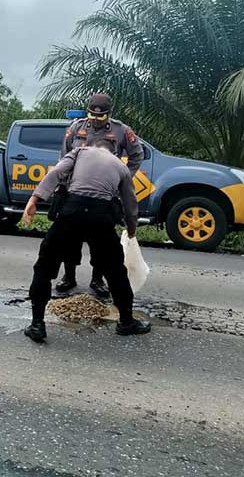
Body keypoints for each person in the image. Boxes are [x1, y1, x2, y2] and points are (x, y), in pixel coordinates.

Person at [23, 141, 152, 341]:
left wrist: (34, 199)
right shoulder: (121, 166)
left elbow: (56, 172)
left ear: (92, 145)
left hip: (71, 212)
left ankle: (37, 324)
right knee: (116, 272)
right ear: (113, 152)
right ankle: (126, 322)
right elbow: (130, 203)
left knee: (45, 266)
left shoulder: (79, 152)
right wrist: (132, 230)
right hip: (101, 217)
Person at [56, 93, 143, 298]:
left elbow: (137, 155)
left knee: (101, 240)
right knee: (70, 237)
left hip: (104, 194)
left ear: (109, 114)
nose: (95, 119)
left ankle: (97, 279)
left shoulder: (121, 130)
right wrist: (63, 184)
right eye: (92, 115)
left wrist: (122, 176)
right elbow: (64, 156)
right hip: (76, 191)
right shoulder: (76, 128)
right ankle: (69, 277)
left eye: (101, 116)